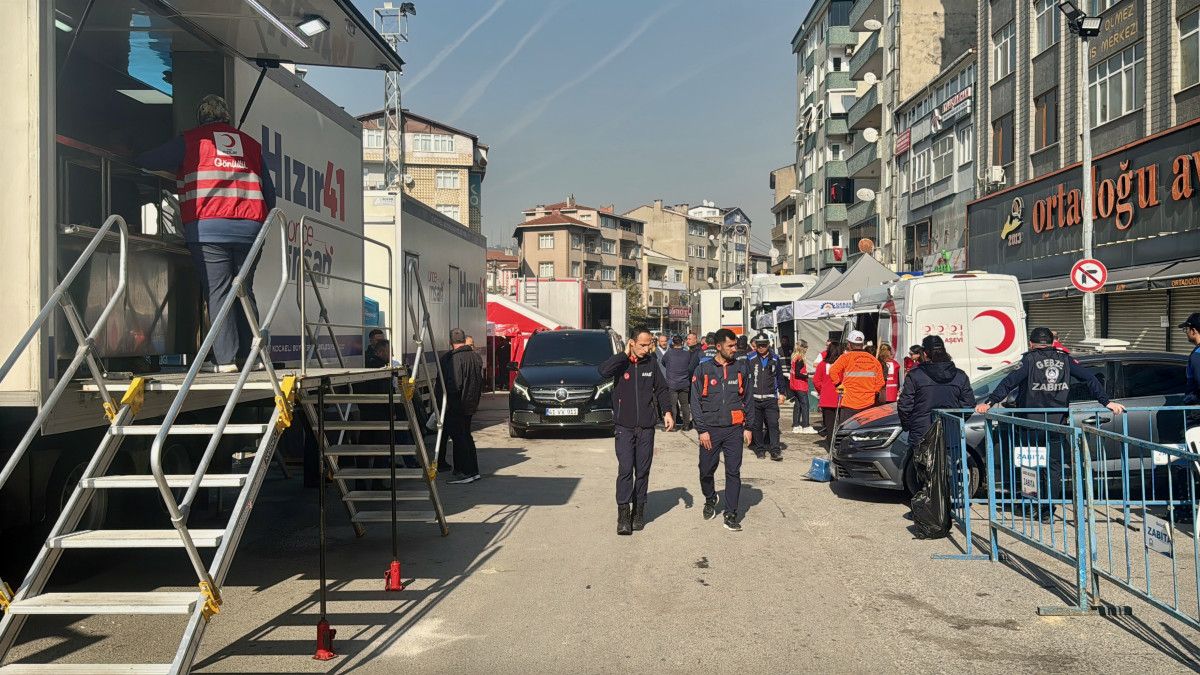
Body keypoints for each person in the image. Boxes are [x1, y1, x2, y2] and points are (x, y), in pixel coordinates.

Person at [137, 94, 276, 373]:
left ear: (201, 117)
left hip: (209, 229)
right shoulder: (250, 144)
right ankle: (253, 356)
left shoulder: (191, 141)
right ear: (227, 117)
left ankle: (225, 359)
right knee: (243, 290)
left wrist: (131, 154)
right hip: (250, 229)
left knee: (219, 291)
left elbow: (151, 159)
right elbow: (269, 195)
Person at [975, 327, 1125, 520]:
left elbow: (1008, 382)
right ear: (1052, 342)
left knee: (1031, 467)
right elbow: (1089, 378)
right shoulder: (1065, 359)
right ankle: (1047, 512)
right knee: (1053, 469)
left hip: (1030, 425)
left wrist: (989, 402)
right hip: (1057, 424)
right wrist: (1106, 402)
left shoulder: (1029, 360)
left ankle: (1030, 506)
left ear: (1031, 343)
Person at [598, 327, 675, 534]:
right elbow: (602, 372)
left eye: (649, 344)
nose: (647, 348)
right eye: (642, 344)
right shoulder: (620, 363)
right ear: (632, 343)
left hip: (646, 428)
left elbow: (661, 389)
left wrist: (667, 412)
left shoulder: (651, 363)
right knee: (625, 470)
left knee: (642, 471)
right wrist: (624, 355)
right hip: (624, 427)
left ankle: (638, 511)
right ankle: (623, 514)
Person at [691, 328, 754, 531]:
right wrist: (702, 430)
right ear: (718, 346)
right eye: (730, 346)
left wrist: (749, 427)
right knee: (705, 470)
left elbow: (748, 399)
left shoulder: (741, 369)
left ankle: (730, 513)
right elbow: (695, 402)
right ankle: (710, 498)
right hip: (710, 429)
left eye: (735, 345)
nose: (734, 349)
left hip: (734, 429)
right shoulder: (703, 369)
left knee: (733, 471)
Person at [897, 336, 974, 481]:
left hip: (922, 433)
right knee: (949, 473)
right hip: (949, 432)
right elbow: (969, 405)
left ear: (925, 353)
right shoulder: (960, 375)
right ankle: (947, 494)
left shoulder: (915, 375)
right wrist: (956, 421)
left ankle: (929, 493)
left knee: (925, 474)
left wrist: (909, 425)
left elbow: (904, 405)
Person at [438, 328, 485, 484]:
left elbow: (454, 384)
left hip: (456, 405)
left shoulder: (453, 359)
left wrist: (444, 403)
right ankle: (472, 471)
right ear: (464, 340)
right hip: (470, 404)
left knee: (459, 439)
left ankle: (466, 472)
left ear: (450, 342)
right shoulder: (475, 357)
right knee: (466, 436)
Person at [829, 330, 885, 426]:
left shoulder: (845, 357)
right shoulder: (874, 360)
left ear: (849, 344)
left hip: (849, 403)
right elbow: (880, 383)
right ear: (862, 344)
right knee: (865, 431)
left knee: (846, 430)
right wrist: (872, 392)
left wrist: (840, 387)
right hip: (868, 403)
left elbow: (832, 372)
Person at [746, 333, 787, 461]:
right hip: (755, 398)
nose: (761, 348)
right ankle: (760, 450)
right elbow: (746, 378)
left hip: (770, 398)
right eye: (759, 345)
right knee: (757, 426)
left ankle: (775, 451)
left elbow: (780, 377)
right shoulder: (750, 358)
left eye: (764, 345)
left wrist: (782, 393)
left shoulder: (775, 358)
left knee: (773, 424)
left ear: (768, 345)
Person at [660, 335, 694, 432]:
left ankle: (673, 426)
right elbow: (690, 365)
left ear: (672, 343)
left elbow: (663, 362)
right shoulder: (687, 354)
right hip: (684, 382)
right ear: (682, 342)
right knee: (685, 405)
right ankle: (686, 425)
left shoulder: (669, 353)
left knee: (673, 405)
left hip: (672, 383)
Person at [813, 342, 844, 439]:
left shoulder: (822, 364)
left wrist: (822, 390)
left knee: (829, 425)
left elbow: (816, 381)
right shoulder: (844, 365)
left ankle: (831, 443)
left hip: (827, 398)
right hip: (842, 398)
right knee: (842, 425)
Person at [789, 341, 814, 433]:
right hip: (800, 385)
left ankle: (796, 425)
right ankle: (806, 425)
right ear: (803, 348)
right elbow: (798, 373)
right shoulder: (800, 359)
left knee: (798, 405)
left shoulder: (794, 357)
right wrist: (807, 375)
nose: (807, 349)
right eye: (806, 347)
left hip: (794, 385)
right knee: (805, 405)